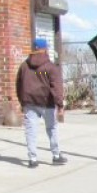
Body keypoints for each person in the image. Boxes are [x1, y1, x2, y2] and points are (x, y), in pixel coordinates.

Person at [15, 38, 66, 168]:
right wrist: (60, 105)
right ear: (45, 49)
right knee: (52, 128)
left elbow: (18, 85)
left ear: (34, 49)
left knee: (31, 131)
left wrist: (22, 102)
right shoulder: (50, 67)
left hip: (29, 104)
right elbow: (57, 87)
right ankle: (56, 155)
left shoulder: (24, 66)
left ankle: (32, 159)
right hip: (47, 103)